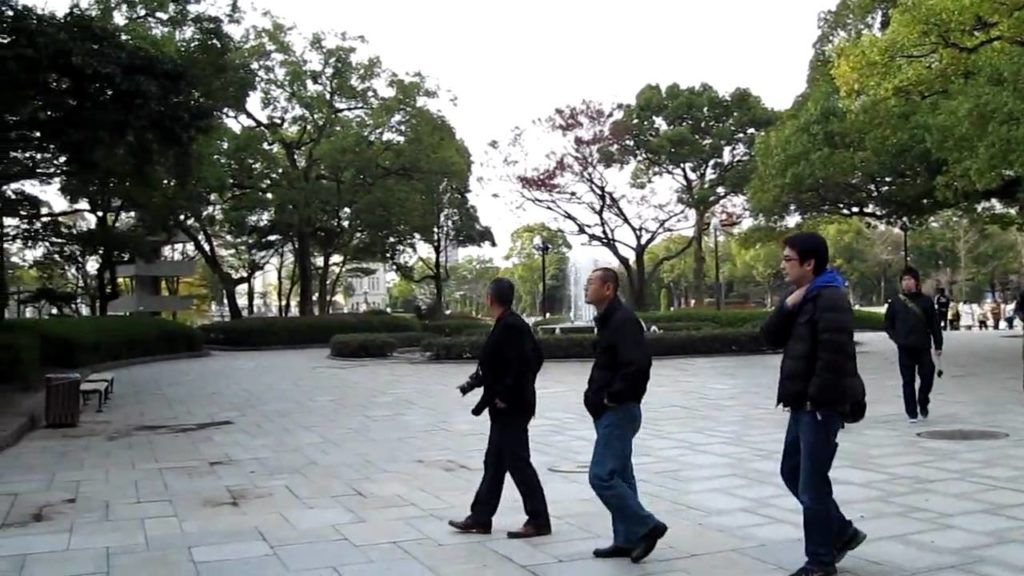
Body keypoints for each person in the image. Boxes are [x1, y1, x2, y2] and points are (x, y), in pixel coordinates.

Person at [760, 232, 867, 576]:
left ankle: (820, 561)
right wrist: (787, 305)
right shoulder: (802, 295)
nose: (783, 265)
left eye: (788, 259)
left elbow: (834, 357)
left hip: (819, 406)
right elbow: (769, 336)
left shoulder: (831, 298)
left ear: (809, 263)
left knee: (812, 484)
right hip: (801, 404)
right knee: (792, 471)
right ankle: (842, 532)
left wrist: (817, 401)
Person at [449, 278, 551, 539]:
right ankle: (480, 517)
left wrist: (507, 394)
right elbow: (500, 364)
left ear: (490, 298)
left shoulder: (512, 326)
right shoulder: (508, 323)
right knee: (494, 462)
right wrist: (474, 383)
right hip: (505, 405)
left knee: (518, 462)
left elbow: (526, 363)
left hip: (512, 407)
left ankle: (539, 519)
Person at [583, 268, 668, 564]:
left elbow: (639, 364)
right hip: (608, 410)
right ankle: (626, 539)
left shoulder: (623, 321)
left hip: (619, 410)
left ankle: (647, 526)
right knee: (620, 475)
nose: (586, 287)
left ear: (608, 288)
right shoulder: (609, 320)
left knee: (601, 476)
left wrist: (614, 396)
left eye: (591, 283)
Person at [884, 267, 943, 423]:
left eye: (910, 279)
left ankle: (923, 400)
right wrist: (897, 338)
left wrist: (938, 344)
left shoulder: (926, 301)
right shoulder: (896, 303)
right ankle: (911, 412)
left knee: (927, 376)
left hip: (923, 346)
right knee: (908, 381)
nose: (907, 282)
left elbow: (934, 325)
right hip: (905, 348)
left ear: (916, 282)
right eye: (904, 280)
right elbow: (888, 324)